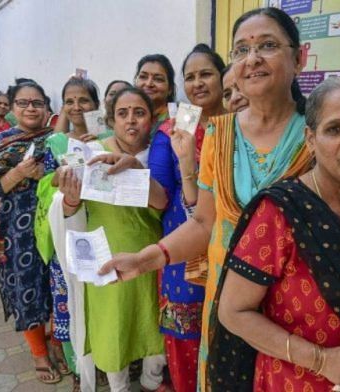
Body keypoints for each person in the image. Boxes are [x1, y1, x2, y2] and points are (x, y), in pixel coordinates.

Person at [99, 7, 314, 390]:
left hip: (293, 305)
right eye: (241, 50)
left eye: (267, 45)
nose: (252, 59)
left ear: (299, 58)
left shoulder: (317, 135)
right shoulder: (219, 134)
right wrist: (145, 259)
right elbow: (204, 222)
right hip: (226, 301)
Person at [211, 76, 340, 391]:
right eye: (335, 129)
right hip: (291, 381)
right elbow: (233, 312)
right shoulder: (281, 212)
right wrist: (321, 360)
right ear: (311, 139)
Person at [54, 86, 168, 392]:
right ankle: (119, 387)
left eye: (139, 113)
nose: (131, 121)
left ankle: (150, 380)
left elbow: (164, 204)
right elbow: (66, 205)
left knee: (153, 324)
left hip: (152, 256)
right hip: (105, 257)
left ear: (151, 119)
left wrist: (137, 169)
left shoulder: (161, 153)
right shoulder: (92, 154)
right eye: (122, 113)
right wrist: (70, 199)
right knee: (112, 329)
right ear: (111, 120)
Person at [147, 43, 226, 392]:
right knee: (185, 333)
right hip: (185, 245)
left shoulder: (243, 123)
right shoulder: (172, 131)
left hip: (234, 242)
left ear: (223, 78)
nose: (198, 83)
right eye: (190, 77)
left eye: (206, 74)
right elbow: (160, 196)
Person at [0, 81, 58, 384]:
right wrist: (19, 173)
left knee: (56, 285)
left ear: (47, 107)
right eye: (23, 103)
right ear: (12, 108)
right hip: (16, 233)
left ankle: (57, 341)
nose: (30, 108)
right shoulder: (1, 143)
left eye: (37, 103)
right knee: (26, 287)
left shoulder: (58, 139)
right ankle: (39, 353)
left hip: (56, 225)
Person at [34, 76, 104, 388]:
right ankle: (79, 371)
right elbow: (44, 186)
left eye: (84, 100)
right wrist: (62, 179)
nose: (77, 106)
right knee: (69, 306)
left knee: (101, 301)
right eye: (70, 101)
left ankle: (104, 361)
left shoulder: (108, 137)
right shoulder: (56, 143)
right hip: (68, 233)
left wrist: (97, 152)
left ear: (95, 105)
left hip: (103, 231)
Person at [135, 54, 176, 139]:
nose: (149, 84)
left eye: (158, 79)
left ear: (170, 89)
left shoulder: (180, 119)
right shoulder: (128, 117)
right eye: (143, 77)